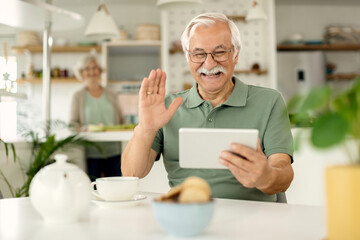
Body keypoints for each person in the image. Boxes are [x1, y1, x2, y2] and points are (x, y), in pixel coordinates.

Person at [122, 13, 294, 202]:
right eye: (199, 54)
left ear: (235, 54)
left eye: (219, 52)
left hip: (252, 219)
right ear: (188, 57)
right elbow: (132, 173)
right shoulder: (168, 107)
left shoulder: (269, 101)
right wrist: (146, 129)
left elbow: (283, 172)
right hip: (187, 215)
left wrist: (267, 176)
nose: (209, 63)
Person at [70, 54, 126, 181]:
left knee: (115, 188)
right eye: (87, 68)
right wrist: (86, 128)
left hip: (114, 151)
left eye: (94, 67)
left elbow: (123, 120)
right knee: (93, 189)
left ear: (100, 70)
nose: (91, 72)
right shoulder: (78, 96)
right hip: (91, 153)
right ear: (81, 72)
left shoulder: (111, 94)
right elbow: (72, 124)